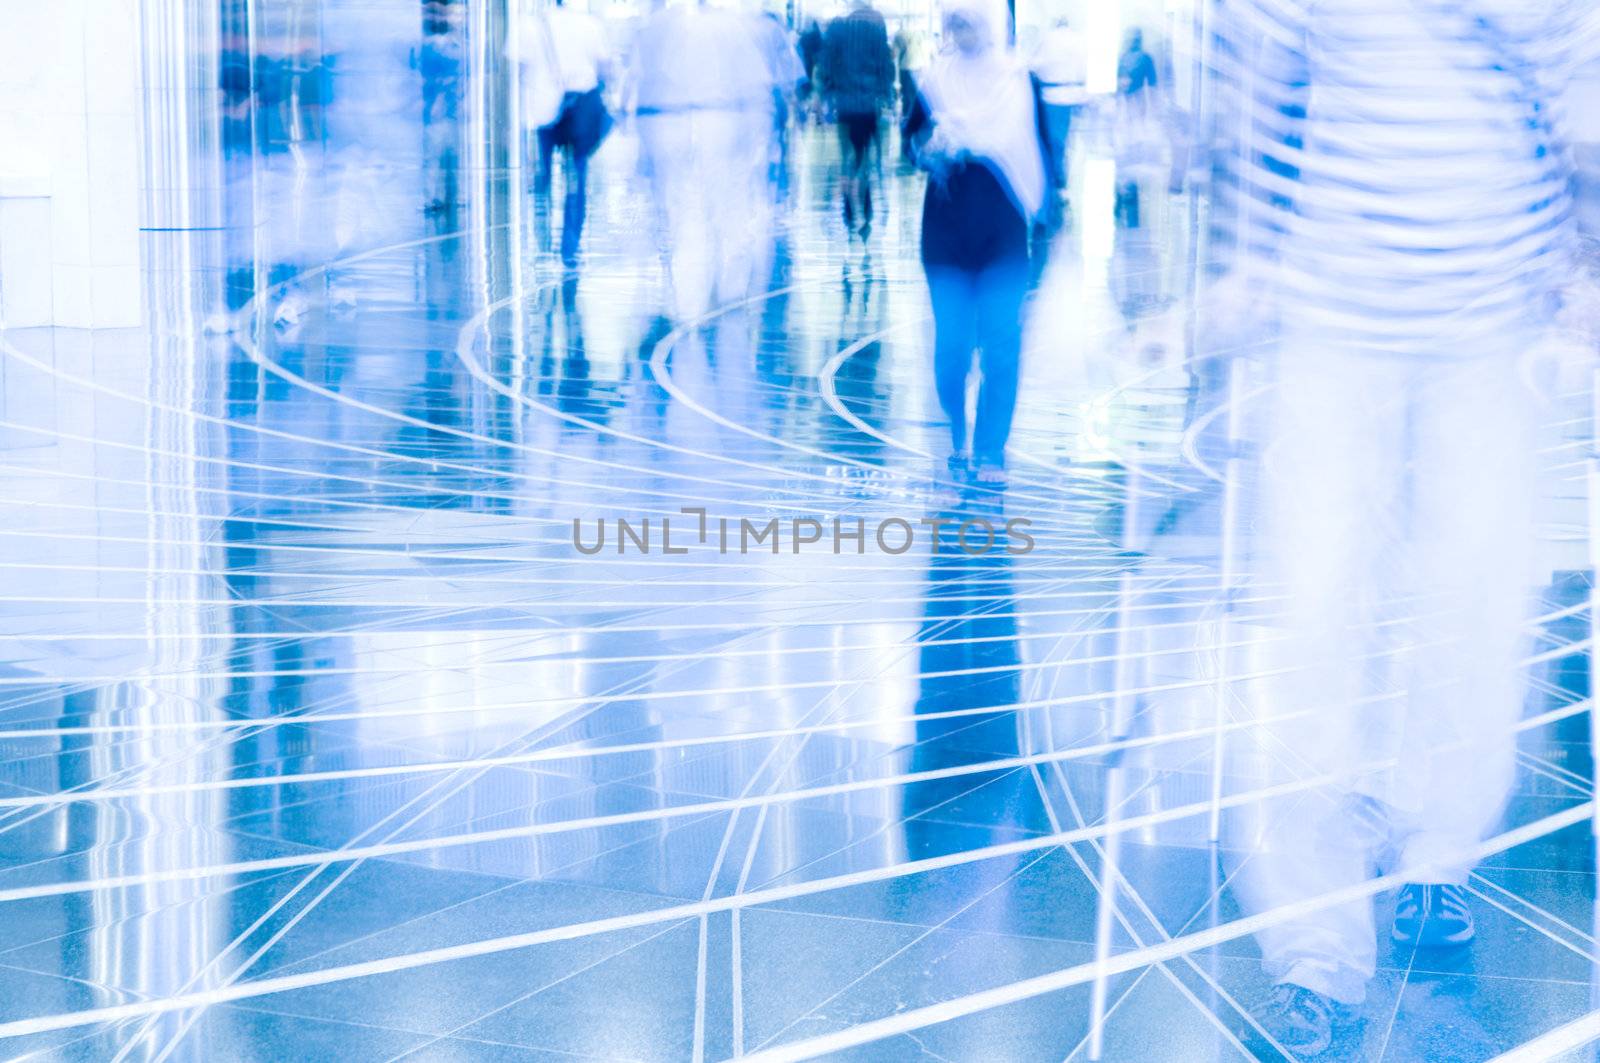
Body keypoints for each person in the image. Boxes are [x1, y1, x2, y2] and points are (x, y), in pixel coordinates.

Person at [1207, 0, 1600, 1056]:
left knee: (1476, 612)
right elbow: (1260, 86)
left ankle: (1436, 853)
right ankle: (1315, 944)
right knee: (1314, 621)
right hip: (1333, 314)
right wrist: (1246, 260)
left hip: (1493, 321)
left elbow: (1582, 97)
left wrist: (1587, 276)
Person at [905, 0, 1047, 486]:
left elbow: (1045, 154)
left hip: (1003, 231)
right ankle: (956, 433)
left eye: (966, 21)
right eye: (952, 23)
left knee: (1001, 346)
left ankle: (989, 450)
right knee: (951, 350)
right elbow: (910, 143)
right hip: (946, 232)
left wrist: (1051, 216)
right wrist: (929, 153)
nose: (958, 31)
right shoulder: (934, 81)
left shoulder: (1019, 81)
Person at [628, 0, 777, 321]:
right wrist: (756, 133)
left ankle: (687, 300)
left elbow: (640, 82)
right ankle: (729, 289)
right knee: (726, 206)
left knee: (682, 209)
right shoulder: (731, 27)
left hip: (665, 121)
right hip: (719, 120)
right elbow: (755, 84)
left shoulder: (656, 27)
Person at [527, 0, 613, 268]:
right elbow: (605, 70)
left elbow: (516, 69)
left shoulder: (529, 25)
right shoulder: (589, 26)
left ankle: (541, 236)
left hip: (543, 113)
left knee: (543, 176)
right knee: (576, 175)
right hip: (580, 112)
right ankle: (570, 243)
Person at [817, 0, 896, 237]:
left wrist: (825, 96)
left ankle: (850, 205)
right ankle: (866, 194)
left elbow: (827, 65)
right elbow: (885, 66)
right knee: (867, 153)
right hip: (869, 104)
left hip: (845, 103)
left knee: (847, 154)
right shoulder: (875, 29)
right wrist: (887, 96)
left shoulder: (837, 28)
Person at [1029, 16, 1086, 218]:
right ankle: (1060, 184)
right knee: (1063, 142)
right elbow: (1084, 68)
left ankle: (1055, 185)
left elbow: (1034, 66)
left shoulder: (1047, 39)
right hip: (1071, 95)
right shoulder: (1079, 40)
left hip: (1051, 97)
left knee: (1052, 143)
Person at [893, 24, 931, 160]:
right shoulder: (920, 36)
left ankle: (906, 120)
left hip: (907, 67)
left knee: (907, 96)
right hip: (919, 67)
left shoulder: (899, 35)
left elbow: (894, 54)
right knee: (914, 96)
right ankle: (910, 119)